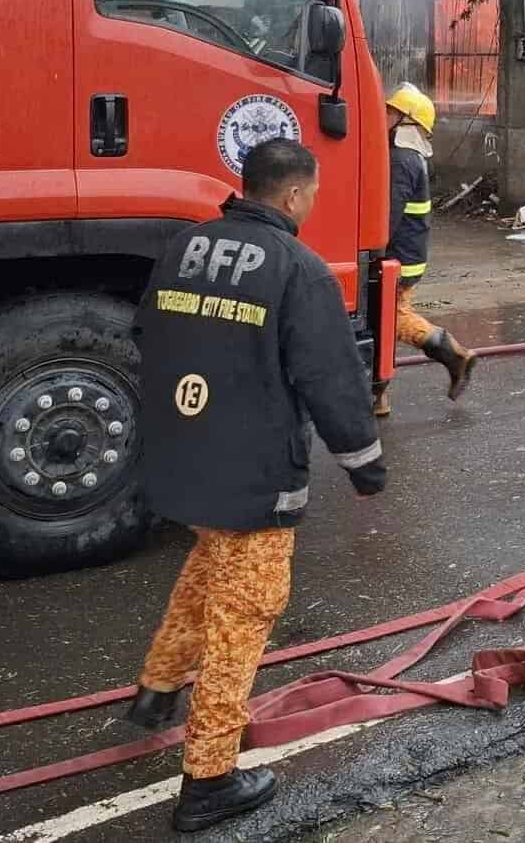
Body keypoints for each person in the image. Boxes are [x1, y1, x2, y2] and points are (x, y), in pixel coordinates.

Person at [125, 137, 386, 833]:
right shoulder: (297, 270)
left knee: (207, 571)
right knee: (245, 612)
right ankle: (208, 776)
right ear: (296, 195)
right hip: (253, 475)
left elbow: (144, 333)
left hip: (184, 456)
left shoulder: (184, 247)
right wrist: (363, 462)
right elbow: (329, 377)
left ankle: (154, 691)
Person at [373, 82, 475, 417]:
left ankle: (453, 354)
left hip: (398, 258)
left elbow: (389, 213)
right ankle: (378, 397)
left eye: (391, 111)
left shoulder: (401, 159)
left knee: (391, 318)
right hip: (407, 255)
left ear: (406, 121)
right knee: (383, 320)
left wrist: (373, 250)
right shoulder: (407, 156)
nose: (384, 114)